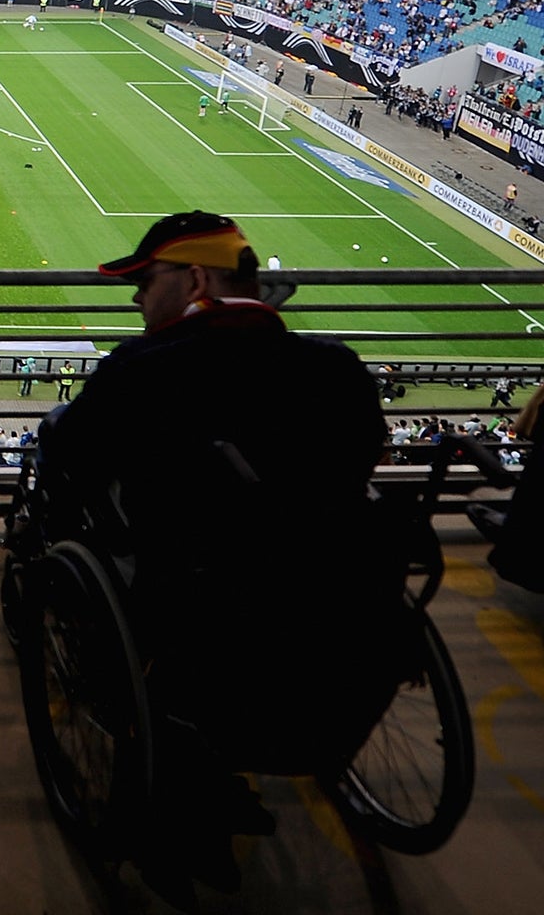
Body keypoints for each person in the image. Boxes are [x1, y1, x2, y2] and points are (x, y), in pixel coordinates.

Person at [39, 210, 396, 888]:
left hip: (201, 625)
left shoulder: (142, 371)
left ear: (196, 277)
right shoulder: (337, 369)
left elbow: (70, 460)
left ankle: (175, 818)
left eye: (147, 280)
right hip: (337, 625)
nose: (137, 296)